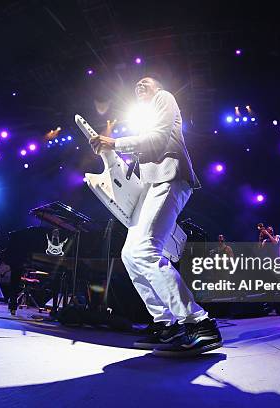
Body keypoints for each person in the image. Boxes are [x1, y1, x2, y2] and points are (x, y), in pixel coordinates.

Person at [88, 76, 222, 357]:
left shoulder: (165, 98)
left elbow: (159, 140)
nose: (139, 85)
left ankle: (199, 322)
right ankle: (166, 324)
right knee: (130, 255)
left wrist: (113, 142)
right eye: (135, 84)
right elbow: (142, 150)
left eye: (145, 82)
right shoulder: (145, 118)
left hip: (169, 179)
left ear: (158, 87)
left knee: (147, 251)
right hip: (152, 186)